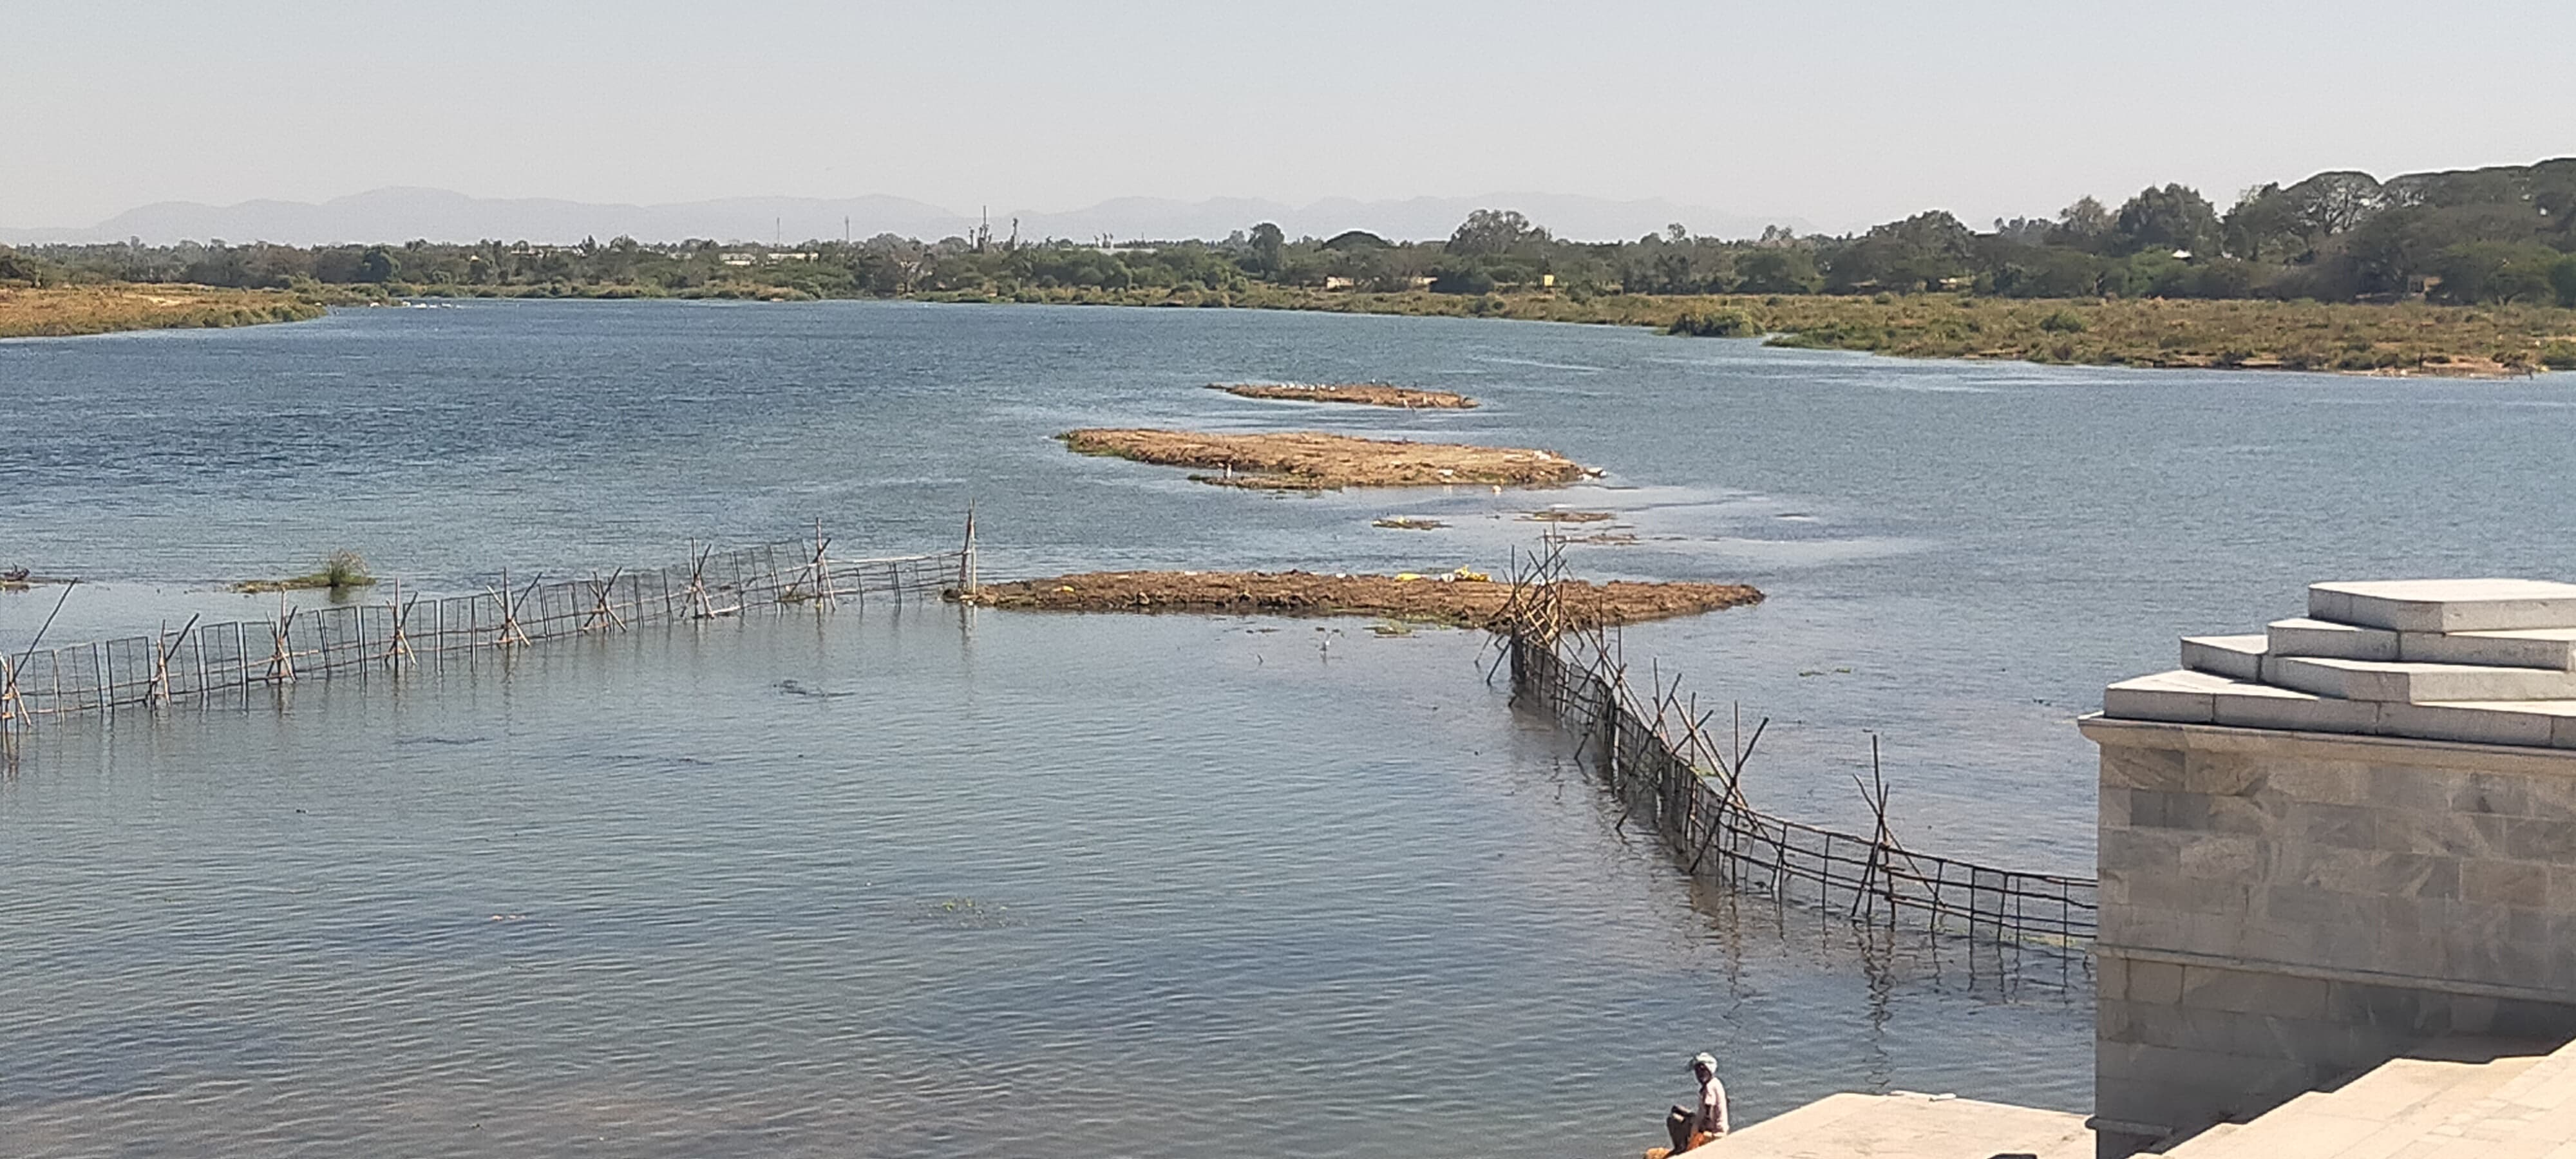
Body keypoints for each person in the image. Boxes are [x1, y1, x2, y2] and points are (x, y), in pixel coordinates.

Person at [1663, 1052, 1730, 1154]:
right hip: (1718, 1127)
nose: (1700, 1075)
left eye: (1703, 1071)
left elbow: (1708, 1116)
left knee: (1674, 1120)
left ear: (1709, 1070)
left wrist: (1698, 1134)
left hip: (1714, 1132)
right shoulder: (1716, 1083)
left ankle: (1681, 1149)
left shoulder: (1709, 1088)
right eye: (1697, 1071)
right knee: (1678, 1110)